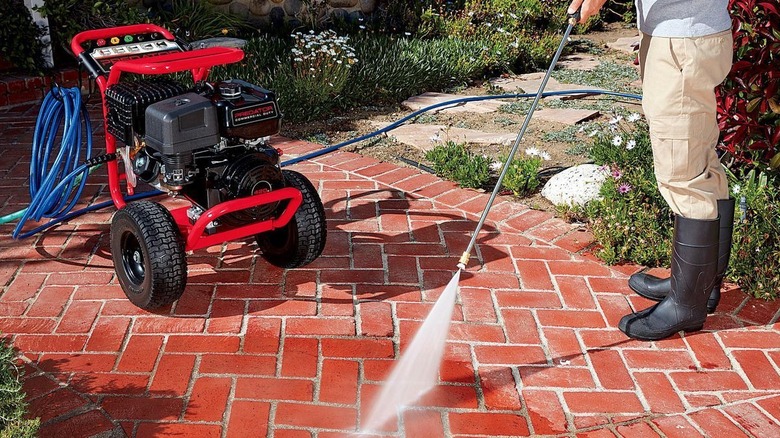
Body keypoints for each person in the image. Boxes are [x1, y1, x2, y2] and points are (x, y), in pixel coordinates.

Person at [566, 0, 735, 340]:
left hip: (682, 40)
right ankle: (701, 286)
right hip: (685, 33)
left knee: (682, 173)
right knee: (699, 159)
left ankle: (687, 306)